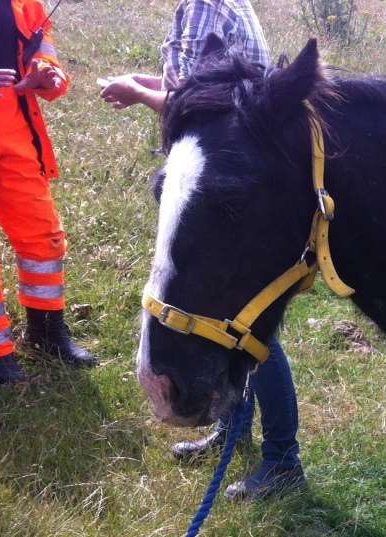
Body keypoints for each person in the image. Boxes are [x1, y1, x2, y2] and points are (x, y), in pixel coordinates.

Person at [99, 0, 307, 502]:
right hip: (223, 178)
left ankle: (282, 459)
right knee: (232, 325)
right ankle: (232, 426)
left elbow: (201, 106)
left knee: (249, 332)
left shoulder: (203, 6)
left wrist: (139, 92)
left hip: (222, 183)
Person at [0, 0, 97, 388]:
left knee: (44, 238)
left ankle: (47, 334)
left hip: (16, 127)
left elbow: (42, 41)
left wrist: (46, 72)